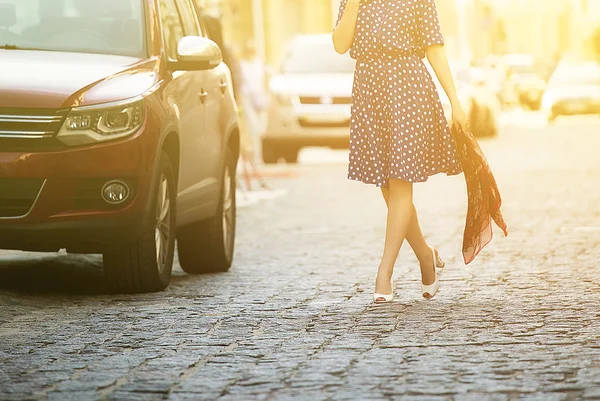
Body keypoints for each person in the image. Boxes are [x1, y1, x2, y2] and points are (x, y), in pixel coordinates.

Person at [332, 0, 468, 303]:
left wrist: (455, 102)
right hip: (370, 91)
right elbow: (341, 45)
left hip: (408, 88)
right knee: (388, 187)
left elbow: (434, 48)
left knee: (401, 180)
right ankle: (425, 255)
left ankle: (384, 273)